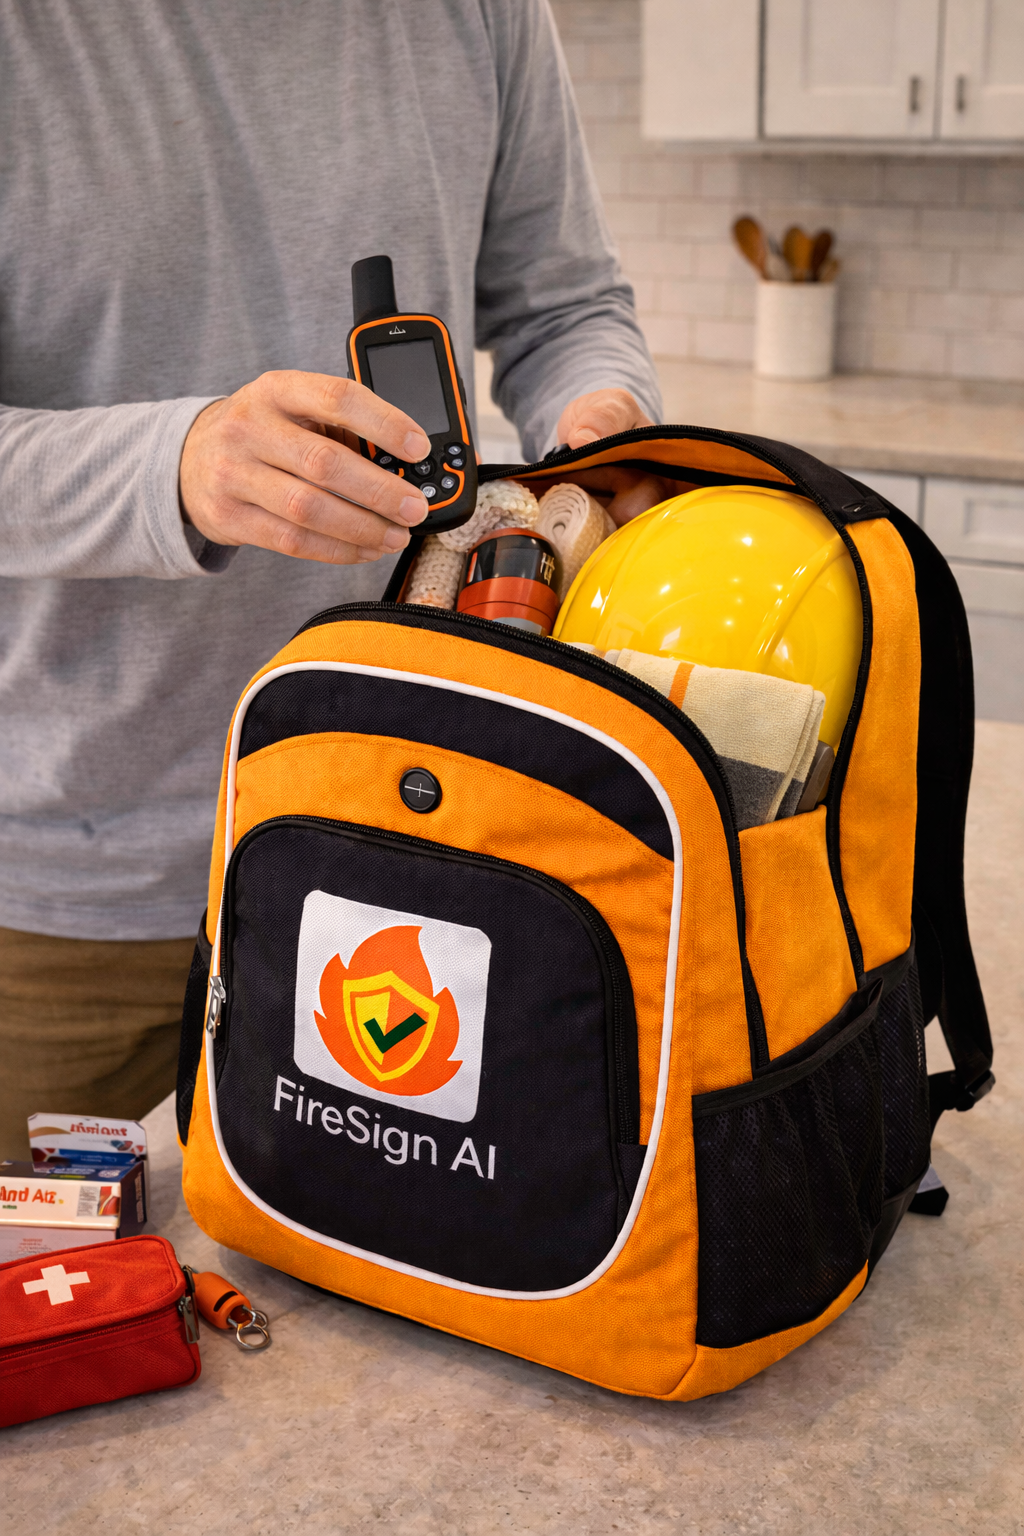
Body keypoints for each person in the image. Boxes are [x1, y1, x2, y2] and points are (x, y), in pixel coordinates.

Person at [0, 0, 666, 1160]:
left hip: (415, 840)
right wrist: (178, 463)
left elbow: (566, 308)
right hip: (67, 906)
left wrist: (602, 428)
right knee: (64, 1324)